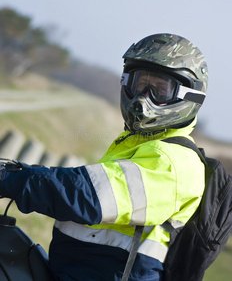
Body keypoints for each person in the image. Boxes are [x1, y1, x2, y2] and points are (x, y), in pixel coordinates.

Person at [0, 33, 208, 281]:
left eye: (160, 90)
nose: (144, 97)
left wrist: (9, 180)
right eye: (140, 84)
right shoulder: (136, 144)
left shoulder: (175, 162)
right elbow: (78, 184)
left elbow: (87, 195)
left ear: (189, 97)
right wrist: (19, 171)